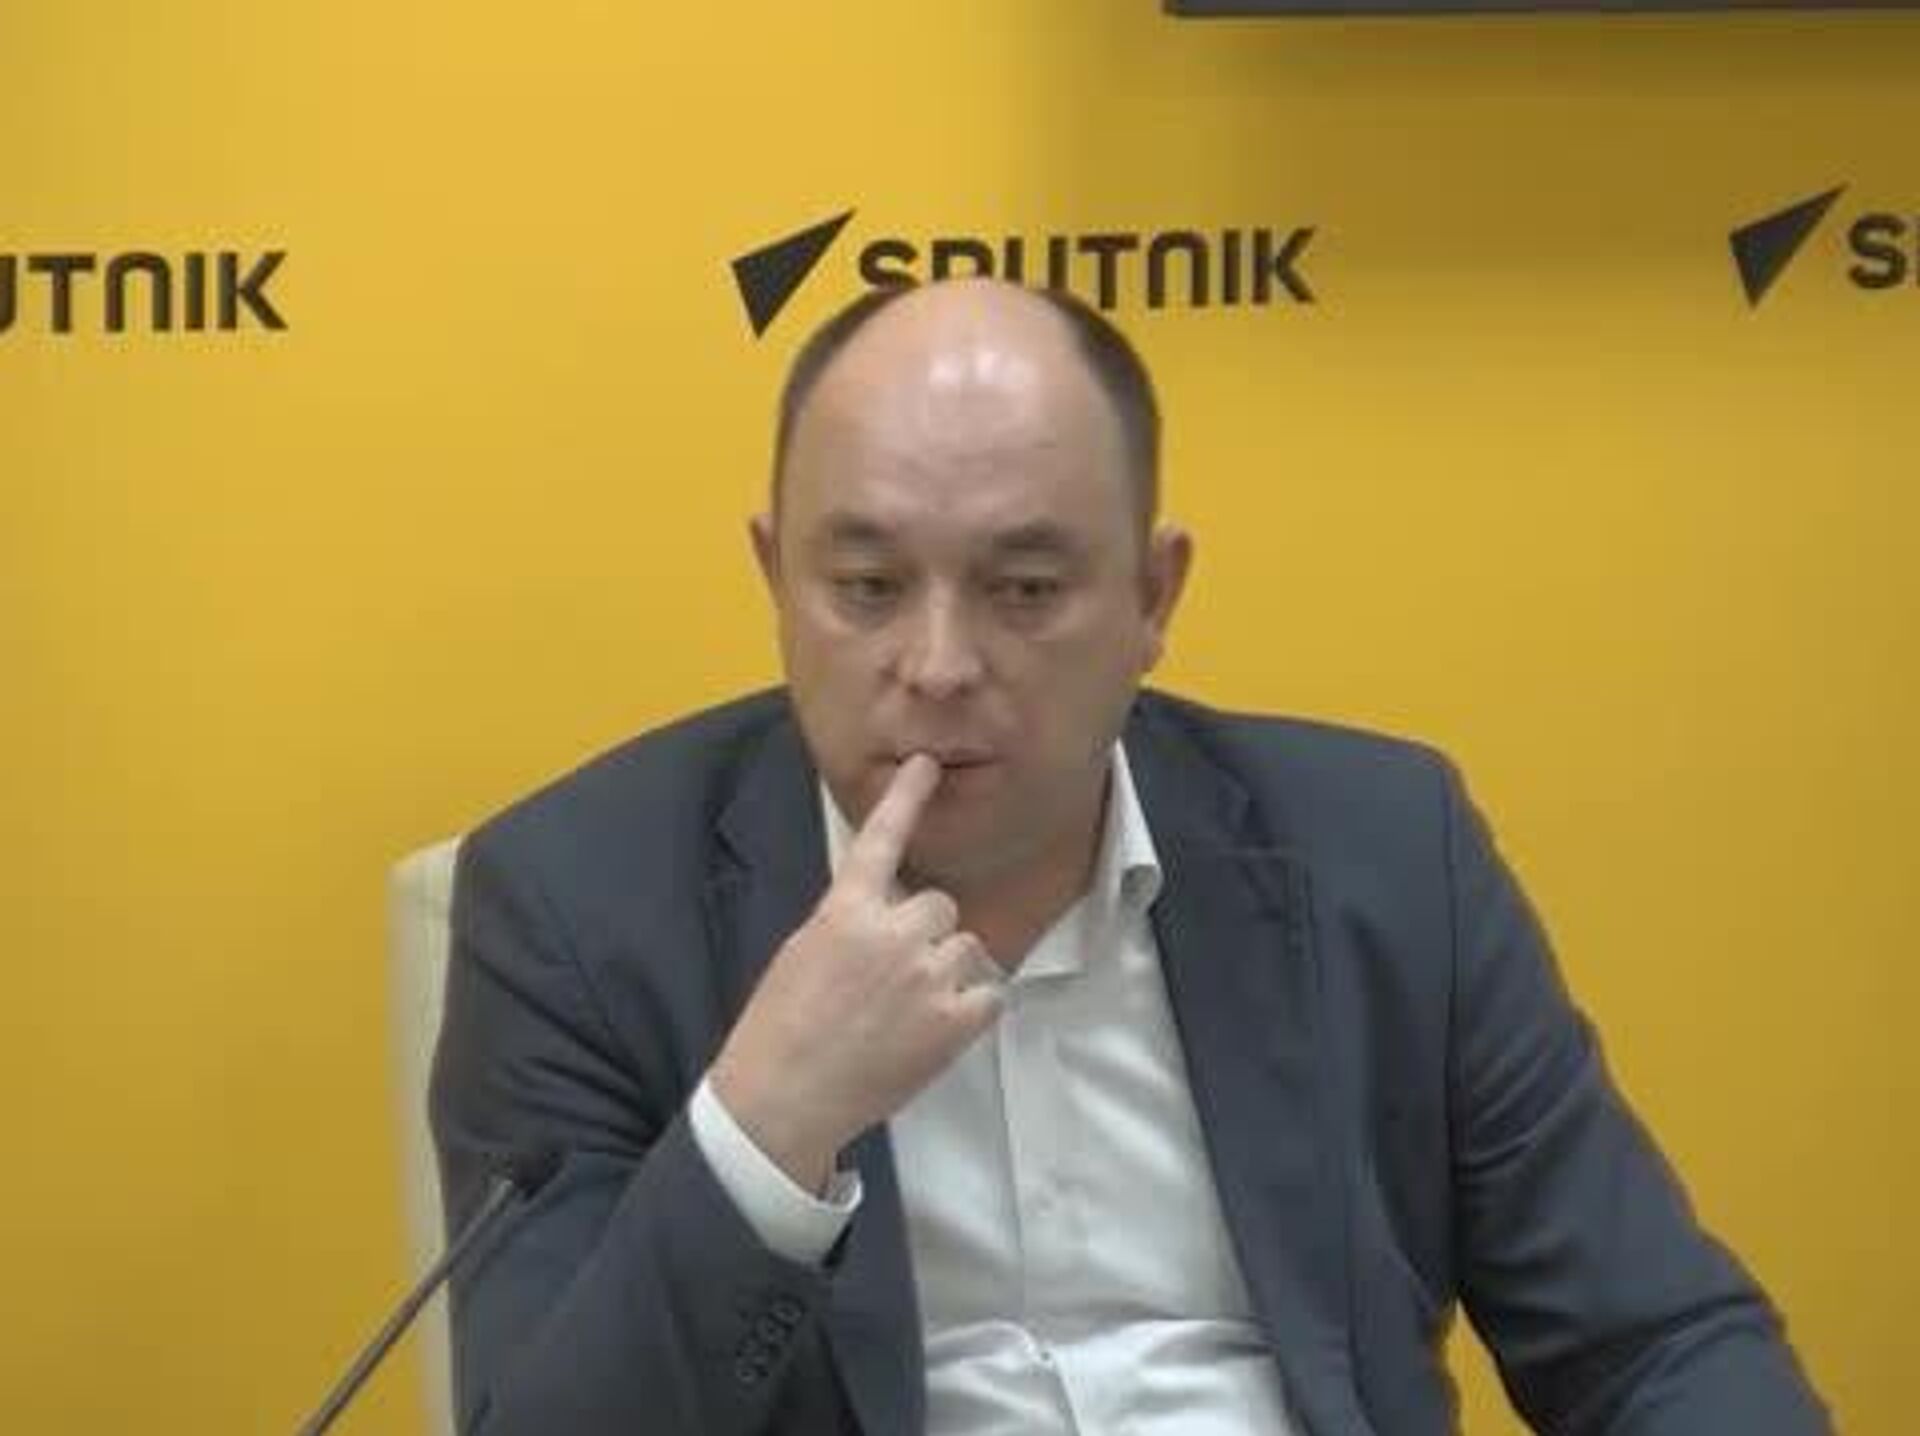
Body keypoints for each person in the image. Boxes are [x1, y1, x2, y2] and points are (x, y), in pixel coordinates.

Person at [430, 278, 1829, 1435]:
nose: (938, 664)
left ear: (1155, 596)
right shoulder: (575, 909)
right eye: (864, 588)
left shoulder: (1385, 855)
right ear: (773, 578)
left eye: (1025, 590)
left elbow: (1655, 1346)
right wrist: (766, 1128)